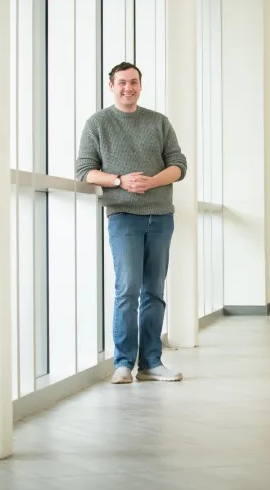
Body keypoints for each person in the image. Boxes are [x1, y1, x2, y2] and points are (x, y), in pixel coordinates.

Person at [75, 61, 187, 384]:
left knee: (155, 289)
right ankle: (123, 362)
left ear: (141, 85)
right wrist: (119, 180)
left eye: (134, 82)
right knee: (128, 288)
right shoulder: (98, 123)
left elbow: (179, 166)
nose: (128, 88)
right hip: (123, 215)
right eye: (122, 82)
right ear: (111, 85)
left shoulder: (158, 122)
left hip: (161, 216)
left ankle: (151, 362)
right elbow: (84, 170)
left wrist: (150, 183)